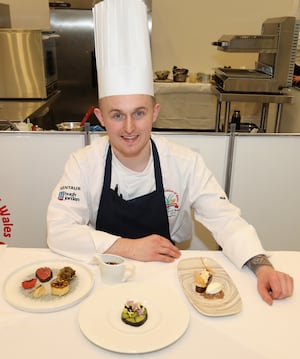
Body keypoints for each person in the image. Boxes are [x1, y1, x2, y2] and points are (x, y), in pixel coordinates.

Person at [47, 0, 293, 306]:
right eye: (116, 115)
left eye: (139, 113)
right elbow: (58, 231)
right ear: (100, 117)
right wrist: (130, 248)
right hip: (106, 274)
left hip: (170, 275)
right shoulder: (83, 163)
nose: (128, 128)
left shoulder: (184, 161)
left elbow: (225, 219)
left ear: (155, 113)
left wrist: (263, 266)